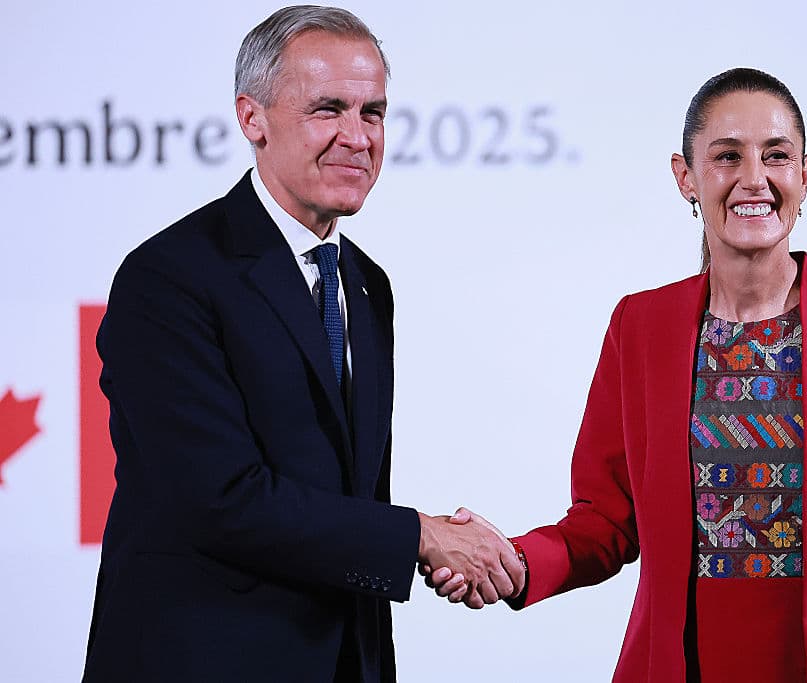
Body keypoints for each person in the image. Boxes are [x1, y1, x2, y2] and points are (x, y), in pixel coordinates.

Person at [424, 68, 807, 681]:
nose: (755, 178)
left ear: (804, 173)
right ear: (686, 176)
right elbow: (606, 522)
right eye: (727, 156)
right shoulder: (641, 325)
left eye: (775, 155)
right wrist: (515, 562)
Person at [81, 6, 523, 682]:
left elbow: (351, 496)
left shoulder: (367, 284)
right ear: (252, 118)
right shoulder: (169, 277)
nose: (357, 136)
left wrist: (417, 550)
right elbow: (221, 499)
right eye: (328, 109)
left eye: (372, 112)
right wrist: (419, 537)